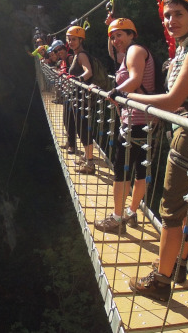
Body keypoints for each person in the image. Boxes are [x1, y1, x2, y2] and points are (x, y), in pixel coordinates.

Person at [123, 0, 188, 301]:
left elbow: (174, 101)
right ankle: (177, 266)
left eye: (178, 14)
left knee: (171, 208)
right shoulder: (185, 50)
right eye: (167, 15)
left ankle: (161, 281)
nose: (171, 20)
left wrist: (129, 96)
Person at [94, 18, 156, 233]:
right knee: (140, 170)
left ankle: (117, 218)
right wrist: (111, 24)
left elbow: (136, 79)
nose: (115, 39)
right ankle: (130, 213)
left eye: (120, 34)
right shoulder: (130, 53)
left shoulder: (135, 51)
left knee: (121, 171)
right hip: (145, 121)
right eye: (113, 36)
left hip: (135, 121)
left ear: (132, 34)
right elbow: (116, 55)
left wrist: (116, 92)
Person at [62, 26, 96, 174]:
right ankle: (86, 157)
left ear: (81, 40)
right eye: (69, 39)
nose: (71, 42)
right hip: (78, 97)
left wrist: (78, 79)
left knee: (83, 129)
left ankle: (90, 163)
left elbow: (89, 72)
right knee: (80, 127)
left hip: (82, 98)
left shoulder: (81, 55)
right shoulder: (77, 55)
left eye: (74, 39)